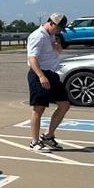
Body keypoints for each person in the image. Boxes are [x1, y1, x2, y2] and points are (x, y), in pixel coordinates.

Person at [26, 13, 71, 152]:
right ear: (51, 23)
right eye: (58, 28)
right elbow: (32, 58)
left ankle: (48, 136)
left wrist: (58, 48)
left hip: (52, 74)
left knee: (64, 105)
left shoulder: (51, 35)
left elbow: (53, 52)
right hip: (39, 73)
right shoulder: (38, 36)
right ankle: (34, 142)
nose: (59, 31)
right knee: (39, 108)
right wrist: (41, 76)